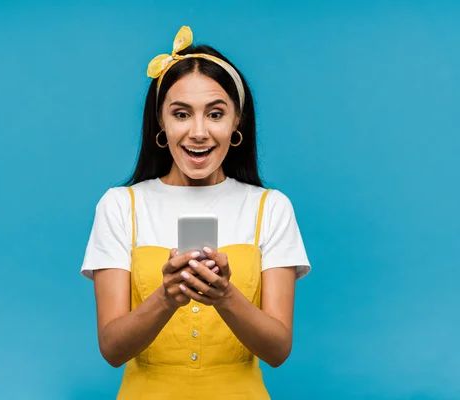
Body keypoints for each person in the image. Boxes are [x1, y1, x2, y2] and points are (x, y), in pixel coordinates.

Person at [80, 26, 311, 399]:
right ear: (161, 121)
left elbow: (277, 350)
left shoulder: (271, 208)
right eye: (182, 114)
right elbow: (112, 349)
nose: (198, 132)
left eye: (216, 114)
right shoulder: (121, 205)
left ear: (237, 121)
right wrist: (167, 296)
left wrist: (224, 296)